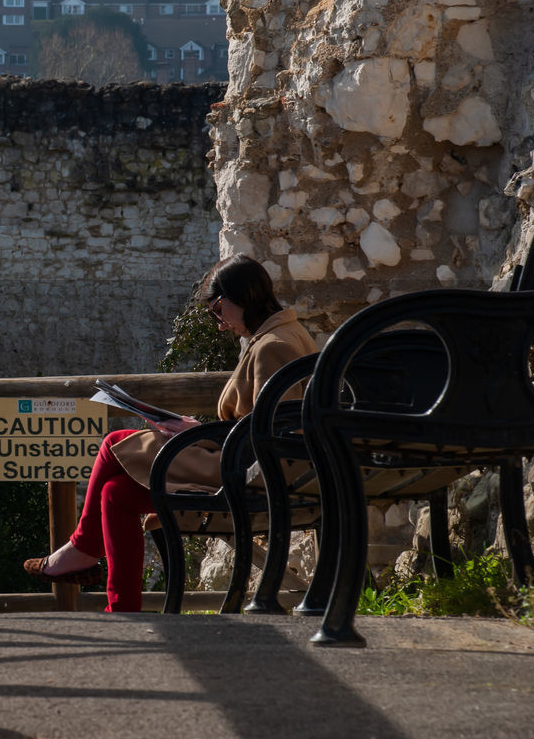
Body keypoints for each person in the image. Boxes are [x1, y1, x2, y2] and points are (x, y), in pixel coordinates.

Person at [22, 254, 318, 612]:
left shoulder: (274, 346)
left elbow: (272, 435)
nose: (220, 325)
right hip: (252, 464)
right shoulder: (281, 335)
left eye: (217, 312)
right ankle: (122, 606)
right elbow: (265, 423)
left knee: (115, 442)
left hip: (254, 474)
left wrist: (203, 433)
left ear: (231, 300)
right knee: (117, 494)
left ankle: (82, 549)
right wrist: (201, 431)